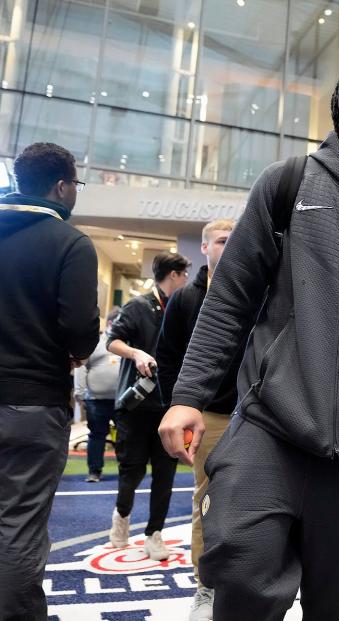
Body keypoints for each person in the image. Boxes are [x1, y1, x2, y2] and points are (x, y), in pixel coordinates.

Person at [158, 54, 339, 621]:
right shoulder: (289, 181)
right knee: (238, 574)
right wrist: (188, 396)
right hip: (272, 428)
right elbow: (230, 299)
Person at [0, 142, 100, 619]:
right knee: (18, 524)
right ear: (61, 187)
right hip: (32, 403)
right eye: (76, 184)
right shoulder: (69, 243)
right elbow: (81, 332)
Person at [156, 218, 236, 620]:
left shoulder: (258, 290)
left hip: (258, 414)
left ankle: (254, 578)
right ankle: (206, 586)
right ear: (204, 248)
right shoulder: (186, 299)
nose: (230, 245)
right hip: (209, 416)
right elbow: (167, 356)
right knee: (207, 500)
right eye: (222, 240)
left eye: (235, 239)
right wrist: (180, 406)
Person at [106, 251, 191, 560]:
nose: (186, 280)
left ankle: (154, 534)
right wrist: (137, 353)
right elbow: (112, 341)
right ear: (173, 275)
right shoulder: (137, 306)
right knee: (132, 472)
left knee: (165, 475)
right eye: (184, 274)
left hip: (169, 407)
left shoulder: (182, 308)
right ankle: (122, 517)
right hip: (135, 408)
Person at [75, 306, 122, 482]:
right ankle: (94, 471)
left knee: (126, 436)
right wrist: (79, 392)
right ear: (111, 323)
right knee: (96, 435)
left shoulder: (126, 343)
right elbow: (81, 368)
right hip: (96, 400)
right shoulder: (96, 343)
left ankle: (126, 471)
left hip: (122, 400)